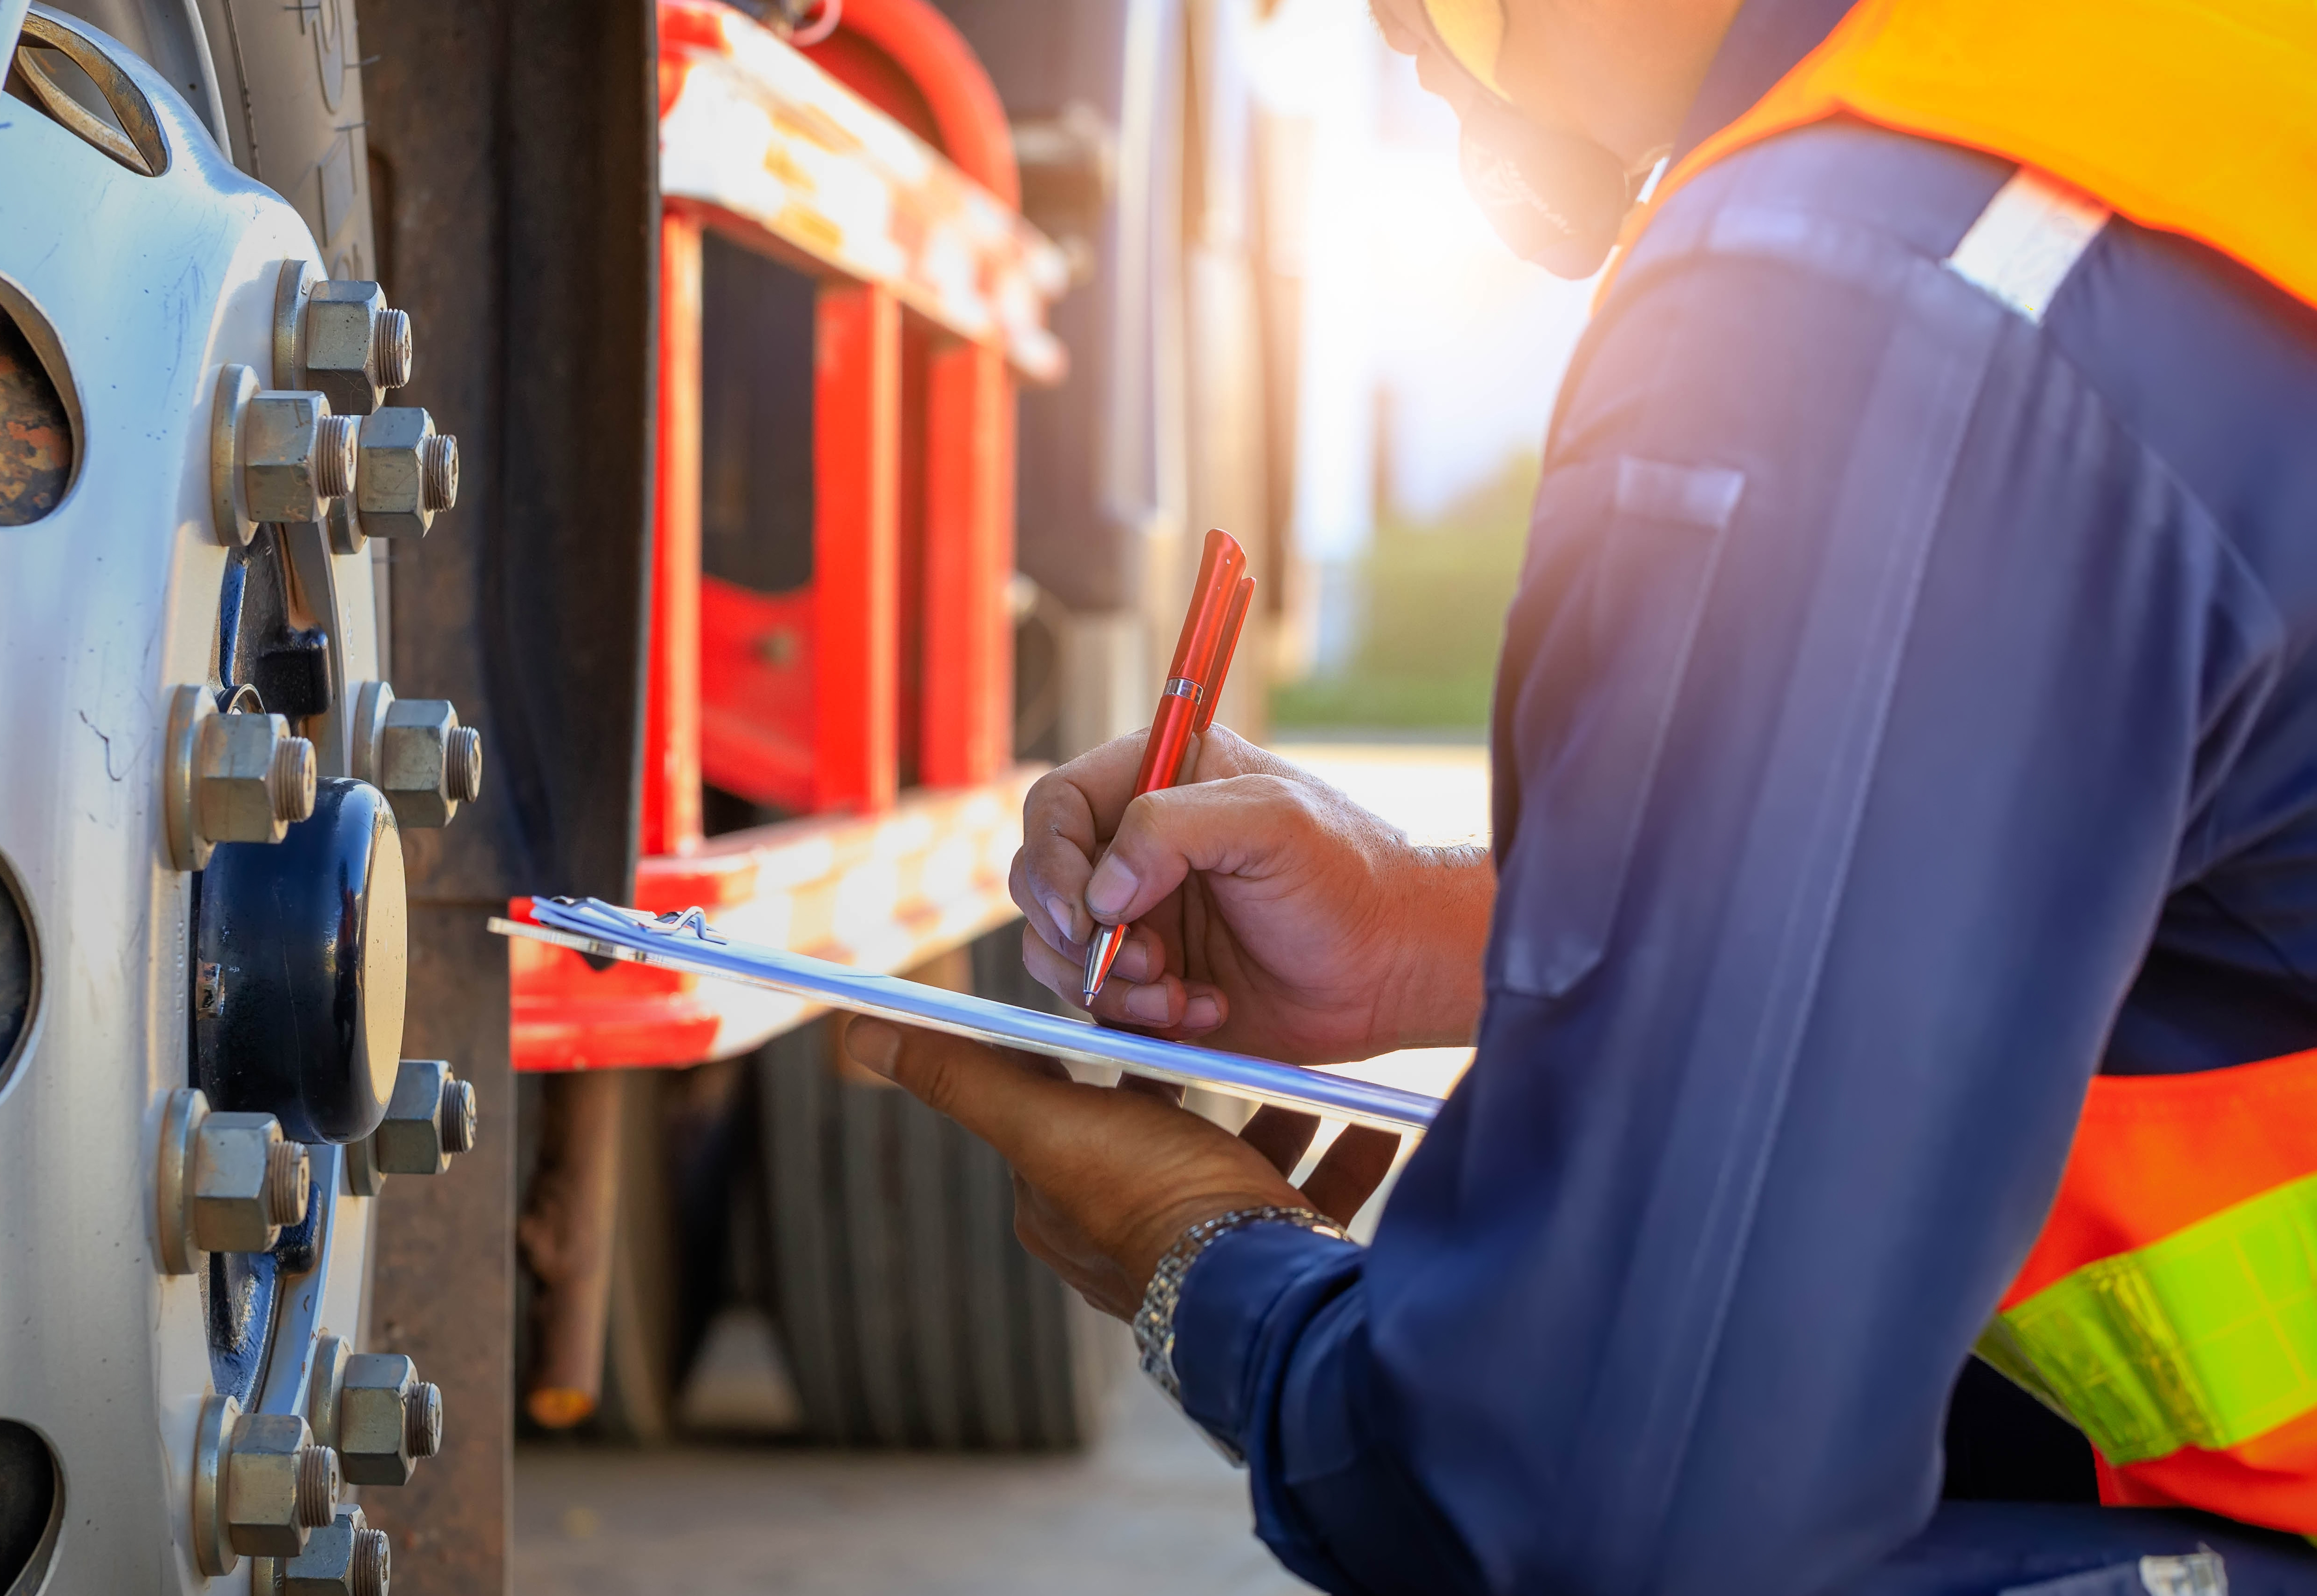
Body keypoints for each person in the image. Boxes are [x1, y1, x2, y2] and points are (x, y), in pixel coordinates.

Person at [837, 0, 2317, 1590]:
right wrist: (1438, 930)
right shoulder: (2161, 119)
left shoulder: (1894, 301)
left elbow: (1611, 1513)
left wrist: (1204, 1264)